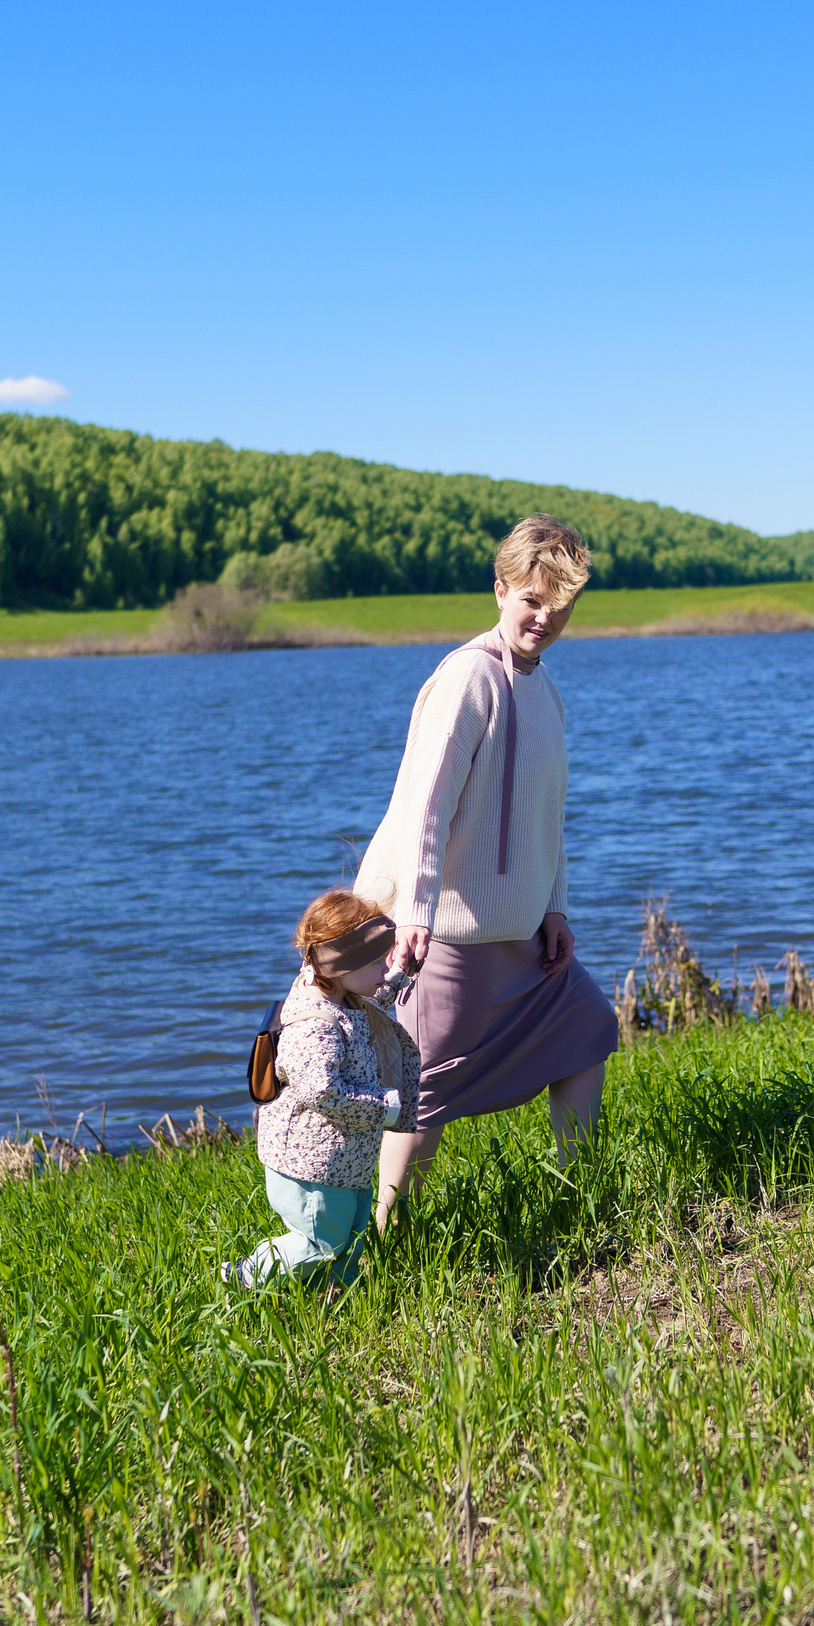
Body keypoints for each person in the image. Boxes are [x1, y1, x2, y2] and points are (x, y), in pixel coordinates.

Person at [353, 514, 621, 1228]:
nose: (545, 616)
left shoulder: (546, 691)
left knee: (589, 1027)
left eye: (560, 603)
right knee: (426, 1094)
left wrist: (556, 908)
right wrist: (415, 913)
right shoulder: (470, 676)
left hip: (527, 942)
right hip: (454, 940)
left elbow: (548, 812)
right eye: (532, 599)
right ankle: (385, 1229)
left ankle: (577, 1197)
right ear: (499, 589)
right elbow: (425, 808)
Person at [227, 890, 421, 1287]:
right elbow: (323, 1092)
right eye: (375, 963)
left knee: (349, 1239)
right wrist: (385, 1107)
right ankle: (245, 1277)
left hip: (345, 1159)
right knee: (319, 1243)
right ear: (336, 968)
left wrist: (399, 972)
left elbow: (370, 997)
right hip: (311, 1166)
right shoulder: (313, 1024)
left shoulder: (342, 993)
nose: (383, 970)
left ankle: (335, 1299)